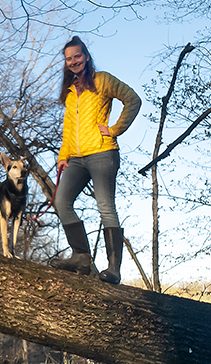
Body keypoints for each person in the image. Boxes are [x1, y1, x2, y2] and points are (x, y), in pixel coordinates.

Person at [49, 36, 141, 284]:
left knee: (105, 206)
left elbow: (133, 100)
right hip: (75, 159)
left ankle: (113, 269)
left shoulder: (102, 80)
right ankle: (81, 258)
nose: (73, 61)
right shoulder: (70, 92)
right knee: (61, 202)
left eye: (77, 56)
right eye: (69, 59)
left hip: (102, 153)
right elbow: (68, 129)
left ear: (86, 56)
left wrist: (114, 129)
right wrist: (62, 156)